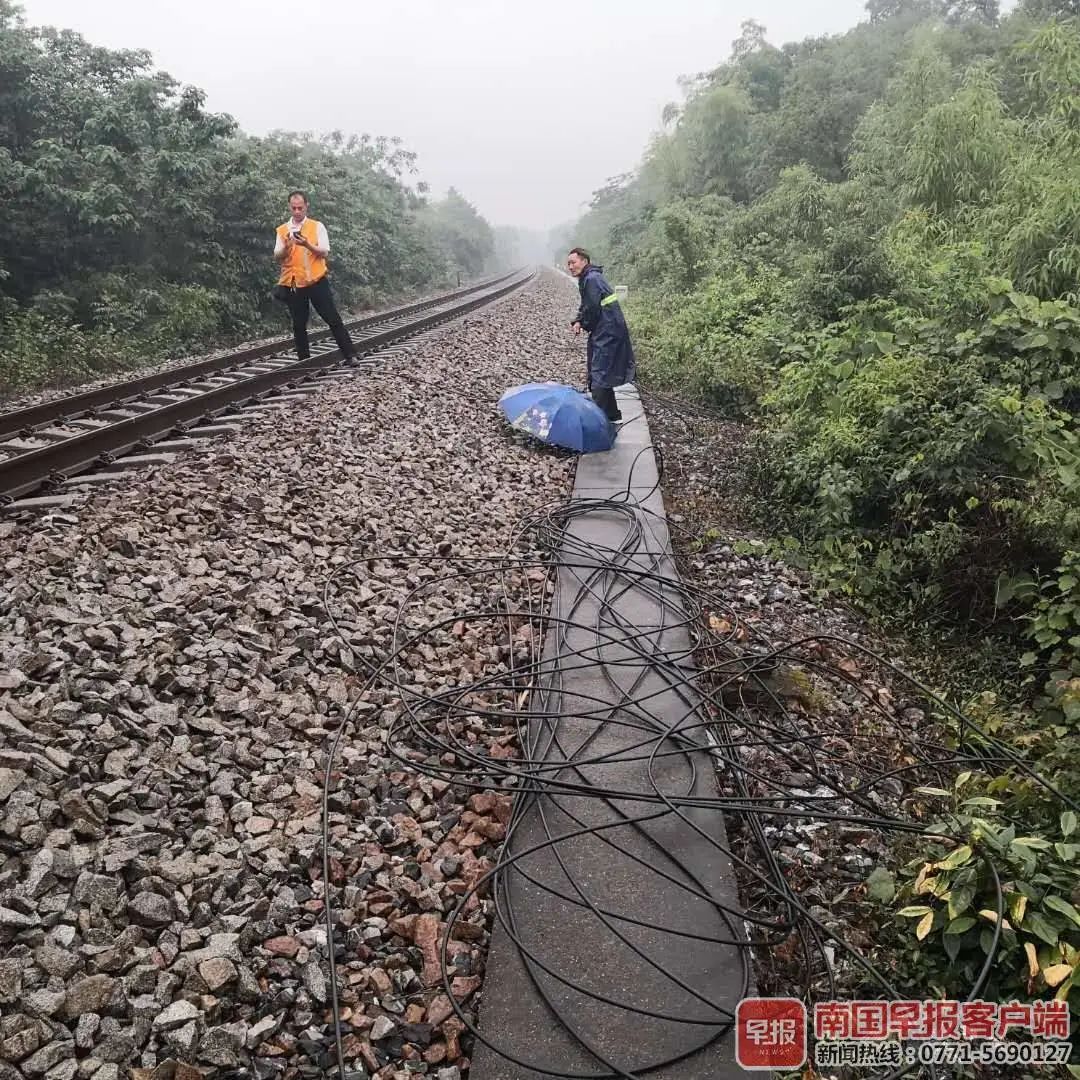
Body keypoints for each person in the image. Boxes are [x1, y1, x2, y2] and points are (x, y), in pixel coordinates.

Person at [274, 190, 358, 363]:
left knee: (332, 318)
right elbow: (277, 255)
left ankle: (350, 355)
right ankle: (304, 362)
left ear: (306, 206)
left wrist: (307, 244)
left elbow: (324, 251)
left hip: (316, 281)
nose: (297, 212)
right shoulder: (283, 230)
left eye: (300, 208)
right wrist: (287, 246)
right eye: (294, 208)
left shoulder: (316, 226)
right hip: (294, 283)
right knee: (298, 325)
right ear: (289, 207)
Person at [567, 248, 636, 422]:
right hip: (605, 329)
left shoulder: (591, 279)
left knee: (598, 374)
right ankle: (612, 415)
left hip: (608, 332)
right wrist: (578, 320)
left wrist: (583, 323)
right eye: (568, 263)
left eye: (573, 262)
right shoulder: (589, 278)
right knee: (600, 372)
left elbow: (592, 309)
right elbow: (587, 305)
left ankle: (599, 421)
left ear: (584, 261)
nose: (570, 267)